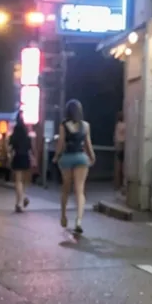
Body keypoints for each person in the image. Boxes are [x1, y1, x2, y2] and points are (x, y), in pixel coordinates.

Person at [52, 99, 95, 233]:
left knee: (66, 188)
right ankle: (79, 220)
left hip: (67, 158)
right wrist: (92, 157)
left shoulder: (63, 125)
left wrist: (56, 156)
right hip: (81, 158)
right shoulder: (86, 126)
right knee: (80, 190)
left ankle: (64, 216)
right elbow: (88, 144)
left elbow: (60, 144)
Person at [9, 111, 33, 212]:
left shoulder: (14, 134)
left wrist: (9, 156)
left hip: (17, 157)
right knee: (24, 181)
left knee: (18, 181)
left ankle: (19, 202)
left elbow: (10, 147)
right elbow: (30, 148)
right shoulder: (27, 135)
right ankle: (22, 198)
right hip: (26, 157)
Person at [114, 111, 126, 192]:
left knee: (118, 165)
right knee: (121, 166)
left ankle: (116, 184)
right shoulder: (124, 125)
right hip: (122, 145)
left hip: (117, 145)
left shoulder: (117, 125)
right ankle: (120, 184)